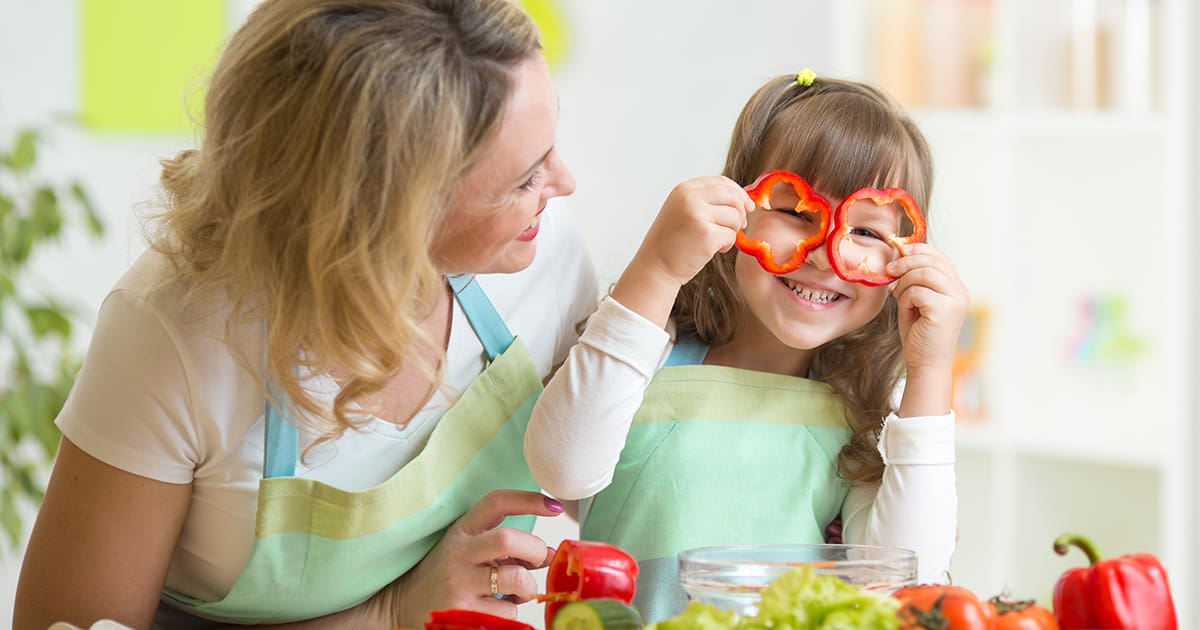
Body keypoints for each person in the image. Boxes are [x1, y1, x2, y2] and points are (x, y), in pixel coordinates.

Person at [15, 1, 599, 628]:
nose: (563, 183)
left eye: (548, 150)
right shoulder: (176, 335)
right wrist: (388, 615)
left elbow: (600, 485)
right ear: (385, 215)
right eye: (522, 180)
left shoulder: (540, 252)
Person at [524, 71, 966, 621]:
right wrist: (657, 268)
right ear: (737, 208)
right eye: (797, 213)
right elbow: (561, 471)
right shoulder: (648, 350)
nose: (826, 254)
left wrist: (930, 373)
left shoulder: (864, 411)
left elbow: (911, 585)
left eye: (868, 232)